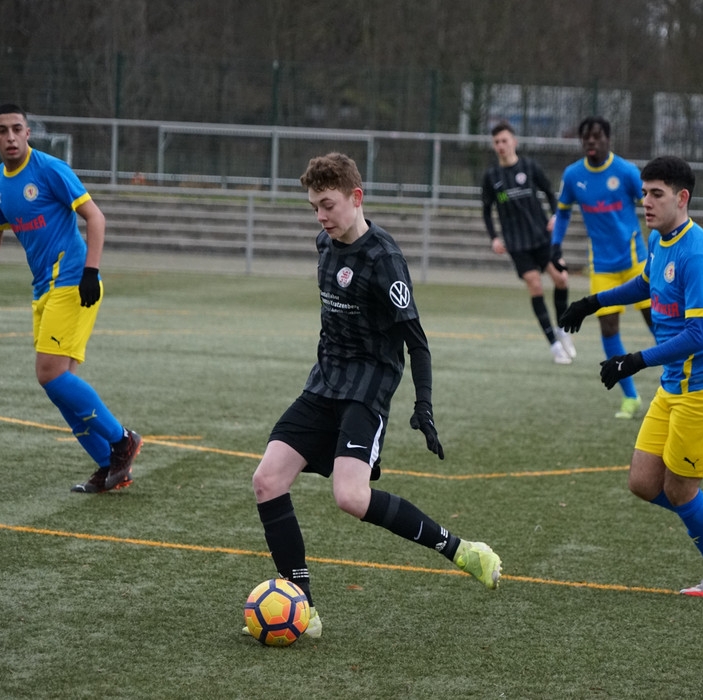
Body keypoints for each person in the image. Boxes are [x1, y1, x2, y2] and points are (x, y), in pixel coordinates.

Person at [248, 152, 502, 639]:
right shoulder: (324, 244)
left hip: (367, 390)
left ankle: (464, 551)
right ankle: (303, 605)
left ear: (356, 197)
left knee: (350, 497)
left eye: (328, 205)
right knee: (267, 480)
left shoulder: (385, 260)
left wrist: (423, 405)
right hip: (323, 383)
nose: (321, 217)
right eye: (314, 207)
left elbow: (417, 343)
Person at [558, 155, 703, 597]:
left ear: (681, 198)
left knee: (681, 491)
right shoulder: (659, 239)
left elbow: (699, 334)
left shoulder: (697, 253)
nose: (645, 202)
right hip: (675, 386)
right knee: (644, 482)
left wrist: (633, 361)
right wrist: (591, 303)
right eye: (644, 193)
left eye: (656, 194)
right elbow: (644, 284)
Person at [0, 103, 142, 494]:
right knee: (58, 384)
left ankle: (123, 440)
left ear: (28, 132)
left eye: (17, 129)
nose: (11, 137)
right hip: (44, 290)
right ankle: (110, 467)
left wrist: (91, 271)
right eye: (3, 130)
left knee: (48, 374)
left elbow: (96, 217)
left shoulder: (49, 169)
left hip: (73, 282)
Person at [550, 116, 654, 418]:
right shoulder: (573, 175)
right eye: (586, 137)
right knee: (608, 327)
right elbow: (563, 212)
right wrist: (555, 245)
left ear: (608, 139)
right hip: (602, 267)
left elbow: (651, 205)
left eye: (597, 136)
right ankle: (630, 397)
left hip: (636, 262)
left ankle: (678, 382)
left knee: (656, 322)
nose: (591, 142)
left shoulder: (626, 171)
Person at [481, 121, 575, 365]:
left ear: (514, 142)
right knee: (535, 285)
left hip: (542, 237)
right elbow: (486, 210)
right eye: (496, 142)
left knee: (562, 279)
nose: (501, 145)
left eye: (504, 140)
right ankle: (554, 346)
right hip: (517, 243)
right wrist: (494, 238)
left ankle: (562, 329)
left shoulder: (530, 167)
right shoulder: (491, 177)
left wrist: (555, 216)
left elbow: (550, 193)